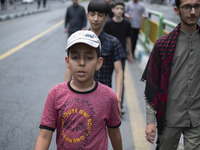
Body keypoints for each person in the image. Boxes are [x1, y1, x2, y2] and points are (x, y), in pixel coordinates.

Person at [34, 30, 123, 150]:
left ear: (98, 63)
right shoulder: (55, 94)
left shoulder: (109, 96)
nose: (81, 63)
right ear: (68, 62)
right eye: (75, 57)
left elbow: (114, 133)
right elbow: (44, 136)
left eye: (89, 58)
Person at [141, 0, 200, 149]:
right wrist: (150, 121)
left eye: (197, 6)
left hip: (197, 119)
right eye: (187, 7)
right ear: (176, 10)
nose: (193, 12)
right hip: (169, 118)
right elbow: (152, 85)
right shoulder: (163, 45)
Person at [65, 0, 126, 113]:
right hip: (79, 94)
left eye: (100, 15)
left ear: (106, 17)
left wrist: (118, 98)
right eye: (92, 14)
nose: (96, 19)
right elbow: (70, 66)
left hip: (103, 96)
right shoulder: (78, 40)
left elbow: (119, 71)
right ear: (88, 15)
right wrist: (66, 92)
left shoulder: (113, 42)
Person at [104, 0, 133, 112]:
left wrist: (130, 53)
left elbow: (128, 39)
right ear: (113, 10)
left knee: (121, 79)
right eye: (117, 8)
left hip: (121, 56)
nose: (119, 11)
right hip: (108, 55)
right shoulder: (108, 24)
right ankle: (107, 104)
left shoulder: (127, 24)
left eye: (121, 9)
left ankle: (119, 105)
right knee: (107, 80)